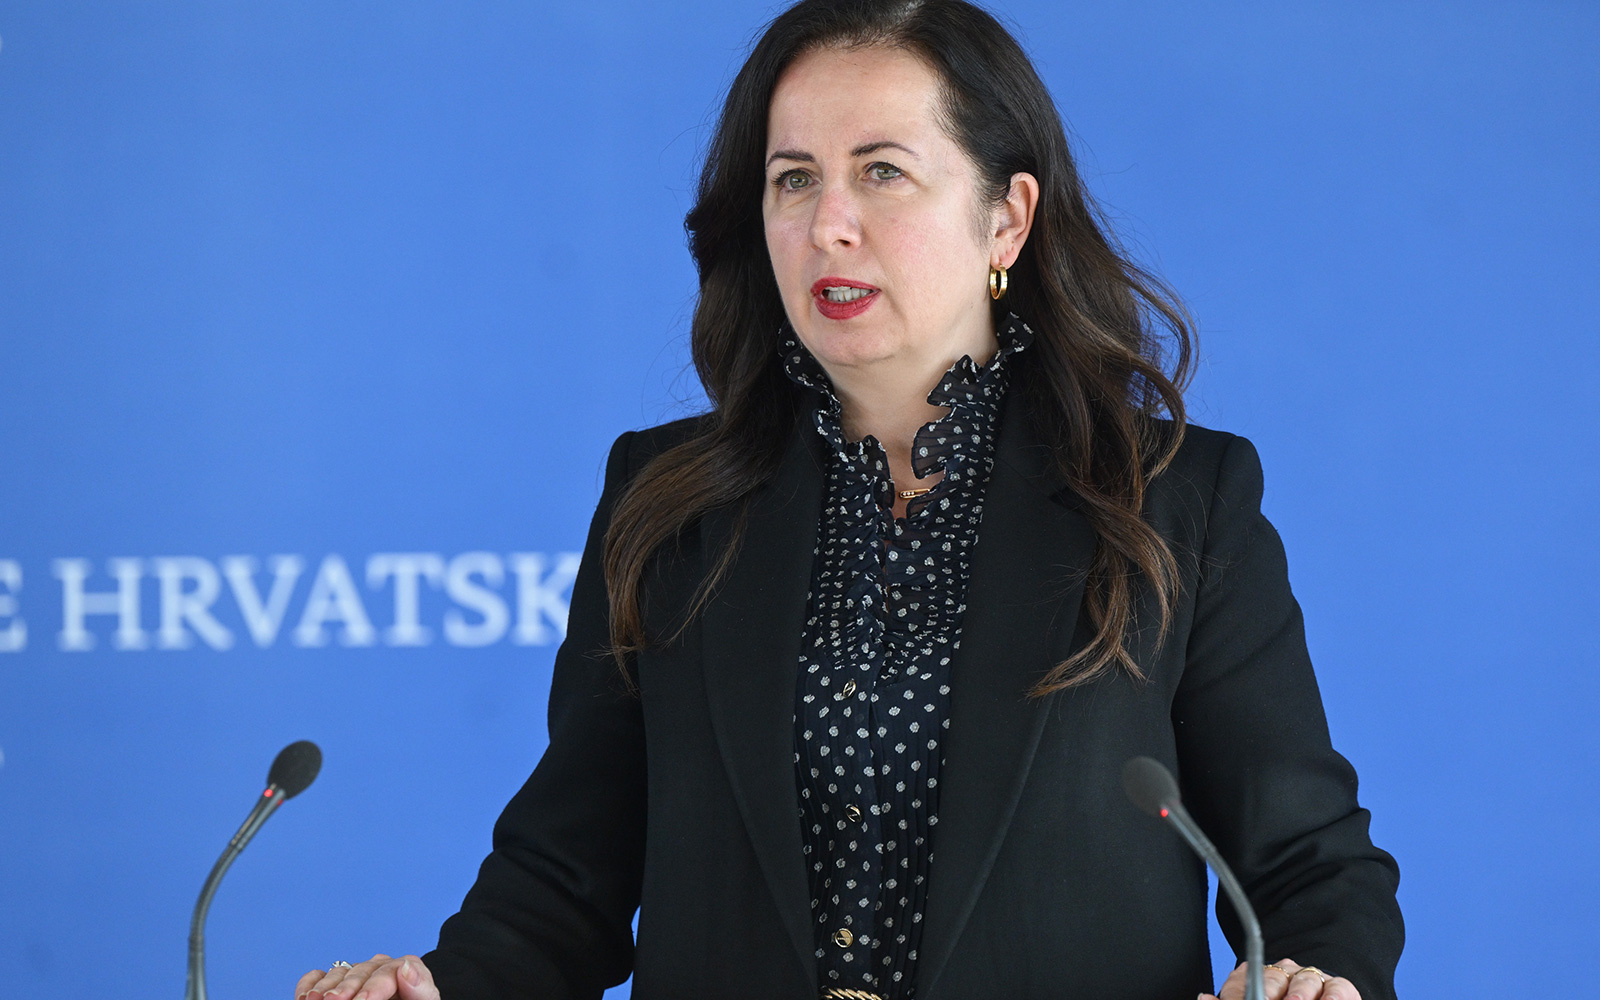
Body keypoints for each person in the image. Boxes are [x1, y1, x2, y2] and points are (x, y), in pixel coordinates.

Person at [294, 2, 1403, 999]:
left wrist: (1314, 980)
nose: (829, 222)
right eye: (793, 178)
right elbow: (565, 879)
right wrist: (437, 988)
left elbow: (1309, 869)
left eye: (882, 172)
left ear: (1006, 220)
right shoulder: (664, 504)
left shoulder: (1173, 501)